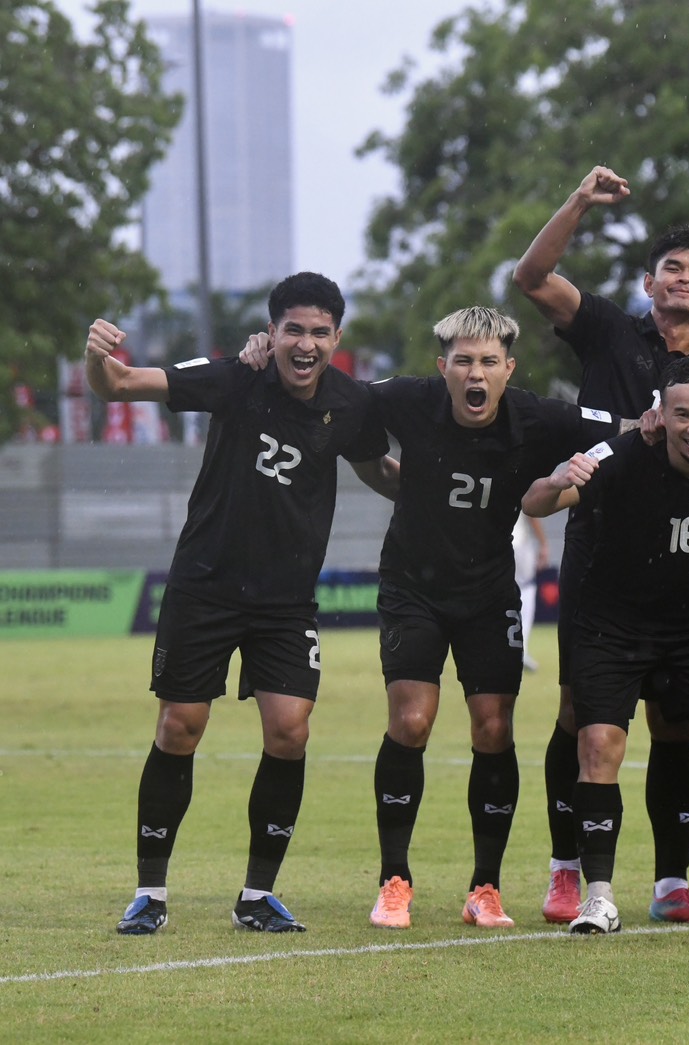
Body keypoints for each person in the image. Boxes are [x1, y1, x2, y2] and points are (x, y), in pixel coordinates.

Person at [88, 273, 389, 935]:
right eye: (293, 330)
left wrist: (440, 486)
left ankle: (257, 894)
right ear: (272, 333)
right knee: (179, 728)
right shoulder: (233, 376)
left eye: (318, 332)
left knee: (290, 731)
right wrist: (96, 354)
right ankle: (150, 892)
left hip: (285, 601)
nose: (305, 343)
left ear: (336, 338)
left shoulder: (354, 403)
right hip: (205, 585)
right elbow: (120, 384)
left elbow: (376, 469)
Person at [513, 166, 689, 925]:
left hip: (684, 559)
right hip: (601, 546)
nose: (684, 279)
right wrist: (579, 200)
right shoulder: (612, 329)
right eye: (672, 269)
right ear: (650, 284)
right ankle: (565, 867)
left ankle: (672, 881)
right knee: (579, 712)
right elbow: (531, 276)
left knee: (677, 718)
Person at [344, 307, 627, 931]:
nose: (477, 373)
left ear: (509, 369)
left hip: (489, 589)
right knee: (412, 719)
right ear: (442, 367)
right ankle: (395, 880)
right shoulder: (408, 400)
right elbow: (341, 401)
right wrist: (387, 476)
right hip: (411, 586)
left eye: (489, 362)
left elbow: (630, 429)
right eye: (464, 361)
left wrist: (686, 420)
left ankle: (485, 889)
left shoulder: (538, 416)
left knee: (493, 728)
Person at [521, 357, 689, 934]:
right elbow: (536, 502)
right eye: (682, 414)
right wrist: (562, 477)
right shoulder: (619, 458)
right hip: (611, 626)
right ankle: (599, 897)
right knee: (599, 747)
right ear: (659, 415)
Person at [513, 514, 550, 672]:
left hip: (495, 544)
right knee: (526, 590)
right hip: (518, 542)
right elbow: (531, 512)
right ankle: (520, 649)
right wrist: (543, 543)